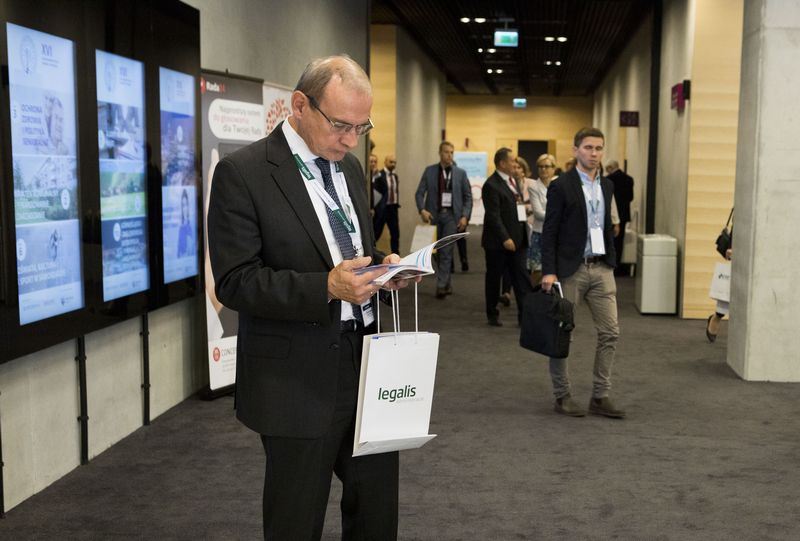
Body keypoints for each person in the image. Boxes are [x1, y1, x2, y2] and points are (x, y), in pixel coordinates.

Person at [208, 55, 413, 540]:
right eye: (340, 125)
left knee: (377, 513)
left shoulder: (350, 168)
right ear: (299, 105)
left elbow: (350, 250)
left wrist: (384, 269)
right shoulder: (244, 172)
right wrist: (326, 287)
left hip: (368, 363)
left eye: (361, 127)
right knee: (296, 520)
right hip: (296, 378)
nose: (350, 139)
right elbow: (235, 281)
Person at [541, 127, 625, 419]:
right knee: (563, 333)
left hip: (601, 267)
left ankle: (600, 396)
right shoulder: (561, 185)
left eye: (599, 148)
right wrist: (549, 271)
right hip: (570, 269)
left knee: (610, 332)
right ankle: (562, 395)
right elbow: (549, 231)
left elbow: (608, 226)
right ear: (576, 150)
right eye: (588, 147)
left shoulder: (607, 186)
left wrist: (611, 259)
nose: (594, 153)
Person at [415, 140, 472, 298]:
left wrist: (465, 216)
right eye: (446, 152)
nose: (449, 155)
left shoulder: (460, 173)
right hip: (433, 216)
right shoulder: (430, 171)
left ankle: (440, 286)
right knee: (435, 252)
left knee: (446, 250)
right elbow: (419, 193)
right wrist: (422, 210)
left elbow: (468, 197)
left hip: (452, 217)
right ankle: (446, 282)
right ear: (440, 153)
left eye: (452, 152)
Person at [482, 147, 531, 327]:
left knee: (521, 279)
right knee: (494, 279)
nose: (515, 164)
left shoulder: (513, 181)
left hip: (518, 240)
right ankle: (492, 313)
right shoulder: (491, 185)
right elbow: (493, 216)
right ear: (502, 163)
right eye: (512, 161)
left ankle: (524, 317)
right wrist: (505, 238)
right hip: (498, 243)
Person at [527, 153, 558, 286]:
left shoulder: (559, 184)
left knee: (555, 270)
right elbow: (538, 214)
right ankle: (533, 295)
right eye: (540, 166)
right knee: (537, 270)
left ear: (553, 168)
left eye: (546, 166)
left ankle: (551, 296)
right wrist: (559, 215)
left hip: (556, 234)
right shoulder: (533, 186)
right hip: (540, 233)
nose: (543, 169)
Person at [605, 160, 634, 274]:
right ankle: (618, 265)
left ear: (610, 167)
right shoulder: (629, 179)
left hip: (611, 214)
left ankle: (610, 263)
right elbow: (630, 197)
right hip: (624, 214)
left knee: (610, 240)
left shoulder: (608, 180)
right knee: (620, 241)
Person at [373, 154, 400, 253]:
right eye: (391, 162)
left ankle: (396, 255)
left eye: (395, 162)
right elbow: (375, 192)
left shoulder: (395, 176)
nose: (393, 164)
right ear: (385, 162)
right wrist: (376, 208)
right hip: (382, 209)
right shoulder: (379, 175)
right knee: (376, 232)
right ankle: (370, 253)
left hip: (393, 208)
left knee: (395, 234)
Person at [368, 152, 383, 217]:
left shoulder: (380, 176)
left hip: (378, 207)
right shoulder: (365, 175)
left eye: (375, 162)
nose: (373, 164)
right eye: (371, 162)